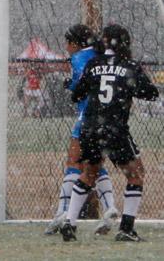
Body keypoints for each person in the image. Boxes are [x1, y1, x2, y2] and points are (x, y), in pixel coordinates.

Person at [61, 24, 159, 242]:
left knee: (88, 174)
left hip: (90, 127)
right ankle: (126, 228)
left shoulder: (93, 63)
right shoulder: (129, 65)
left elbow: (76, 95)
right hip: (114, 128)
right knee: (136, 174)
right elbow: (150, 94)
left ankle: (69, 222)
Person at [45, 24, 117, 235]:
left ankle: (63, 212)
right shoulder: (101, 54)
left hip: (87, 117)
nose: (66, 48)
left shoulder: (78, 59)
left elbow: (80, 88)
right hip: (109, 118)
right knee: (93, 165)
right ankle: (110, 206)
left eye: (67, 44)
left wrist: (70, 86)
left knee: (73, 163)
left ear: (74, 43)